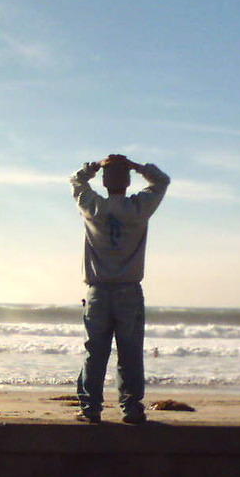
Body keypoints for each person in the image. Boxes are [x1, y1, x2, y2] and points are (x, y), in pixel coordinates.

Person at [71, 153, 170, 424]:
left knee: (96, 352)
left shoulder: (93, 207)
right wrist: (138, 167)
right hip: (128, 290)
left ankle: (91, 408)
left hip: (98, 290)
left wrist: (93, 167)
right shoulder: (138, 208)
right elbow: (161, 181)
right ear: (127, 182)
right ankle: (131, 408)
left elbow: (77, 181)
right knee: (130, 352)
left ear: (104, 182)